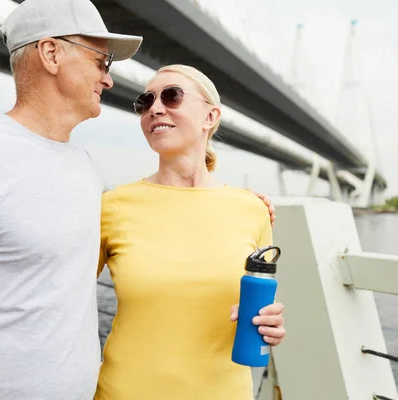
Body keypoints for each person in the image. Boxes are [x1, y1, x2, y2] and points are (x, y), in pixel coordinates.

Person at [0, 1, 280, 400]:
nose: (109, 80)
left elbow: (59, 279)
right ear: (52, 54)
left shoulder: (86, 173)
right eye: (102, 61)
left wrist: (235, 206)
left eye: (172, 96)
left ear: (211, 117)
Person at [95, 64, 286, 400]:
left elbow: (256, 306)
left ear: (210, 116)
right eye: (146, 101)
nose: (155, 108)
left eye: (172, 96)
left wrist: (270, 323)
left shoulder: (252, 209)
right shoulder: (111, 206)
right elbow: (63, 297)